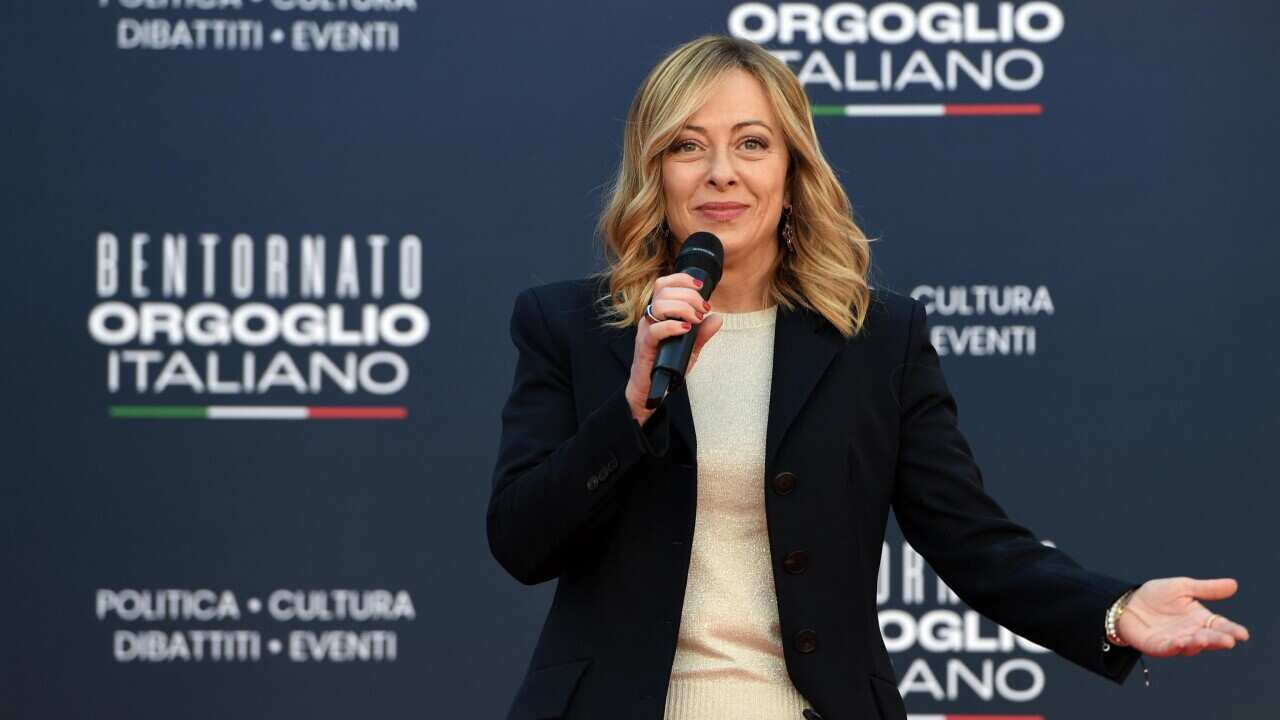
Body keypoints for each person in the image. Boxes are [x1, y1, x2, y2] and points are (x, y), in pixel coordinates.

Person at [485, 35, 1249, 720]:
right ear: (655, 168)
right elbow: (522, 541)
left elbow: (971, 539)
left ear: (791, 167)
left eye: (752, 144)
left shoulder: (874, 339)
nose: (722, 173)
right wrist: (632, 408)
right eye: (689, 146)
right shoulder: (572, 327)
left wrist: (1113, 610)